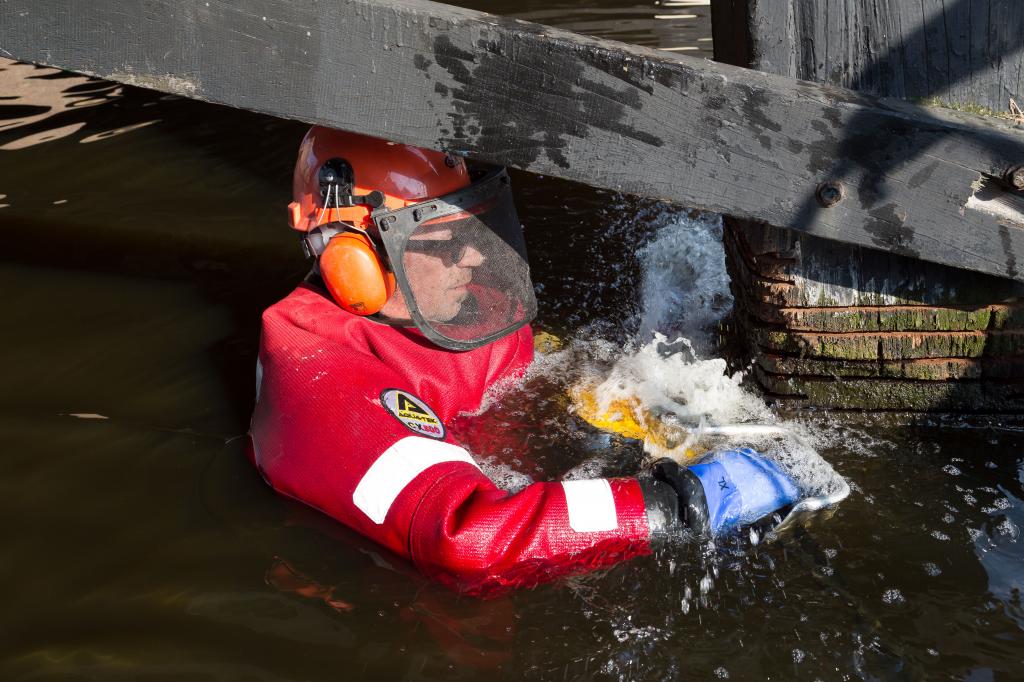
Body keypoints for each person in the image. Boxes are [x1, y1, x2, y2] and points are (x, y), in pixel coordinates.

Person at [249, 126, 799, 596]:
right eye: (442, 241)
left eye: (469, 226)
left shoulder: (454, 306)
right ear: (354, 261)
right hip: (430, 619)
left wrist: (632, 392)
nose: (472, 254)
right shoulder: (319, 376)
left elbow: (535, 361)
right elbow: (467, 538)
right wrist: (678, 505)